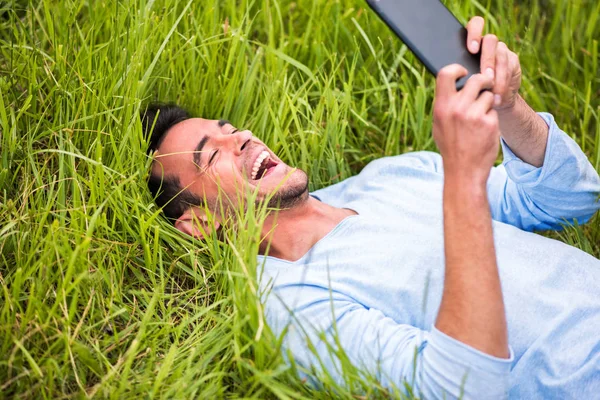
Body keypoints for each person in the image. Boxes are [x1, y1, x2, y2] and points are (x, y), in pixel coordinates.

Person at [142, 17, 600, 399]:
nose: (239, 137)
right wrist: (464, 179)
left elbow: (573, 200)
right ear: (200, 222)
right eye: (211, 153)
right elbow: (463, 388)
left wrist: (508, 108)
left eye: (230, 126)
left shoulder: (387, 178)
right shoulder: (287, 308)